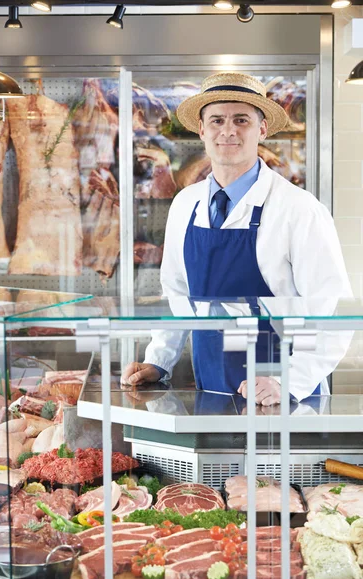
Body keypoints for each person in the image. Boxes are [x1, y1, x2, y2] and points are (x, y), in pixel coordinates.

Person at [121, 72, 351, 405]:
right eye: (217, 120)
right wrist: (159, 360)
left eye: (241, 120)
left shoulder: (299, 209)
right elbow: (178, 295)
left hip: (285, 401)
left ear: (262, 129)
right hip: (210, 389)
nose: (228, 130)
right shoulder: (186, 204)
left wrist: (287, 381)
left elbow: (333, 312)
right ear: (201, 130)